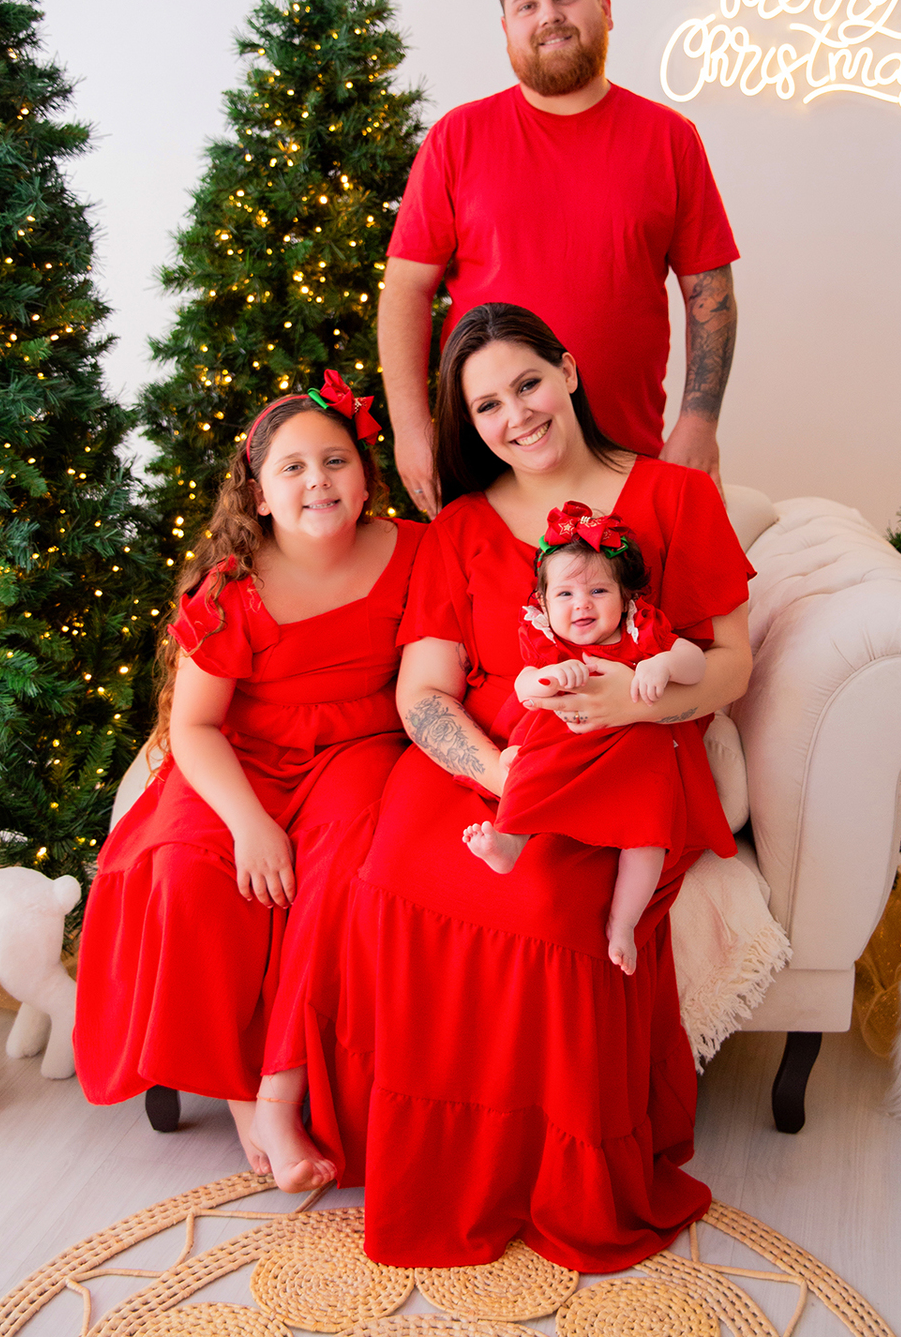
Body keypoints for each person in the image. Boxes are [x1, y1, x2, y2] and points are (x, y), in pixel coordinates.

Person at [343, 303, 753, 1270]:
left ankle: (560, 1177)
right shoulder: (459, 527)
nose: (515, 415)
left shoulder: (675, 494)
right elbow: (422, 693)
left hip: (628, 759)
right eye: (486, 405)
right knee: (398, 879)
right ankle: (442, 1173)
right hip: (493, 757)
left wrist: (634, 708)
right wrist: (502, 776)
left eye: (527, 383)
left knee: (543, 910)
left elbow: (731, 663)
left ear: (568, 371)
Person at [74, 371, 423, 1193]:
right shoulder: (232, 586)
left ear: (366, 478)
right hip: (242, 756)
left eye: (335, 461)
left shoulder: (414, 551)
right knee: (185, 872)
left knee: (341, 872)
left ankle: (279, 1089)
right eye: (292, 468)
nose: (317, 481)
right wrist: (250, 825)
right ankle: (238, 1096)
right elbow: (194, 727)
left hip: (357, 746)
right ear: (260, 496)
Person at [378, 0, 739, 513]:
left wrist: (699, 422)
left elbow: (709, 290)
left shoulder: (669, 138)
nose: (549, 15)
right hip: (486, 463)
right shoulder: (457, 139)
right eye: (528, 5)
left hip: (626, 459)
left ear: (605, 8)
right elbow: (405, 290)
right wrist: (411, 428)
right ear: (507, 29)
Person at [463, 500, 724, 977]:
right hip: (564, 747)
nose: (581, 604)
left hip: (636, 754)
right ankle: (512, 841)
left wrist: (663, 665)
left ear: (625, 599)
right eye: (564, 594)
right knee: (529, 770)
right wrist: (549, 679)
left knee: (648, 834)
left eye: (598, 590)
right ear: (544, 605)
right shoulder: (550, 643)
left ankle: (623, 923)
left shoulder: (641, 633)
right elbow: (524, 689)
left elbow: (697, 665)